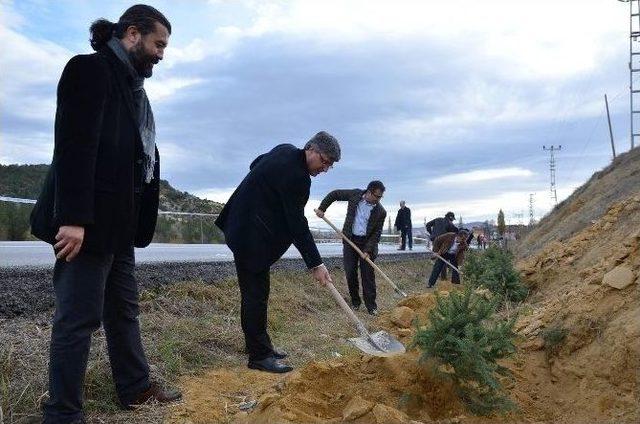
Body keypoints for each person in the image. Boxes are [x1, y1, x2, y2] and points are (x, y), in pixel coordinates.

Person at [29, 5, 180, 422]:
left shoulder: (133, 89)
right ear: (132, 34)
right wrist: (73, 219)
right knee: (78, 320)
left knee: (123, 311)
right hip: (87, 225)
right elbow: (75, 148)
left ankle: (134, 389)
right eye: (158, 44)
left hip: (119, 228)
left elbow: (132, 158)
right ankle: (62, 413)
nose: (162, 54)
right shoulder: (90, 71)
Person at [215, 132, 339, 374]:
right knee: (255, 296)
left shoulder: (284, 150)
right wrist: (316, 264)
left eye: (330, 165)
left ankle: (261, 345)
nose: (325, 168)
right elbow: (297, 225)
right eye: (324, 161)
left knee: (257, 294)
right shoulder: (298, 178)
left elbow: (256, 164)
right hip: (250, 236)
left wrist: (264, 198)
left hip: (243, 225)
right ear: (311, 149)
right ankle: (259, 357)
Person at [316, 181, 387, 316]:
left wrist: (368, 250)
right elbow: (335, 194)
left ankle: (371, 307)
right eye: (377, 196)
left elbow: (376, 234)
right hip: (350, 240)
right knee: (350, 273)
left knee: (368, 276)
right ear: (369, 192)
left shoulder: (380, 212)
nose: (378, 200)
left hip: (367, 245)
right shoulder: (354, 195)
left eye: (380, 197)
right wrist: (322, 208)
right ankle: (355, 302)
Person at [425, 212, 458, 281]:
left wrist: (432, 234)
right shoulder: (450, 224)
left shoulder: (437, 219)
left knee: (440, 257)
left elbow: (427, 225)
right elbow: (455, 232)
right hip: (443, 242)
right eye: (452, 220)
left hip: (435, 240)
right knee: (443, 257)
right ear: (450, 218)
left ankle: (440, 274)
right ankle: (443, 277)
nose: (452, 221)